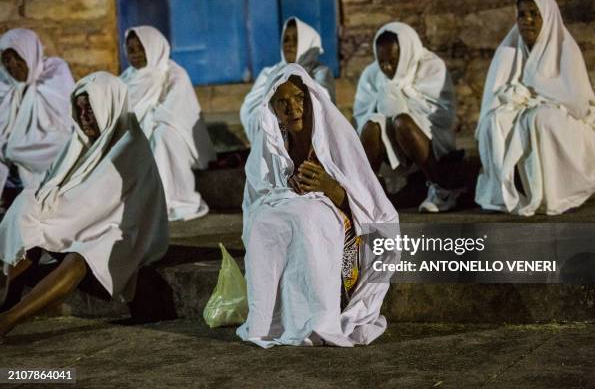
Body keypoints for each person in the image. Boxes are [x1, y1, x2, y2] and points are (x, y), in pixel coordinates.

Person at [237, 63, 398, 348]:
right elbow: (256, 197)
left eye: (299, 98)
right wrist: (286, 193)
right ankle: (271, 322)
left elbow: (373, 208)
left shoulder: (335, 137)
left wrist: (330, 188)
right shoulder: (272, 142)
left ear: (311, 99)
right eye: (282, 102)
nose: (292, 109)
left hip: (343, 231)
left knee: (308, 218)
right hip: (292, 217)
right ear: (272, 108)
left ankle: (320, 319)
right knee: (265, 220)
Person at [0, 72, 169, 341]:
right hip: (80, 221)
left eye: (91, 108)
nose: (84, 117)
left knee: (87, 252)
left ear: (109, 105)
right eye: (79, 109)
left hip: (125, 231)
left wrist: (59, 217)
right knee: (27, 208)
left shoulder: (131, 146)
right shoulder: (78, 143)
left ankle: (9, 319)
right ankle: (7, 300)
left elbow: (101, 203)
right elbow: (55, 187)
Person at [475, 0, 595, 216]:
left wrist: (536, 99)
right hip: (522, 108)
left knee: (540, 118)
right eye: (522, 15)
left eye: (534, 14)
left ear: (547, 17)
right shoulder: (508, 50)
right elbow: (493, 99)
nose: (526, 20)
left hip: (568, 119)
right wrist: (515, 98)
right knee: (495, 120)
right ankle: (508, 193)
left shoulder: (565, 49)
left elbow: (577, 106)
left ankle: (552, 193)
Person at [354, 22, 460, 212]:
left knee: (402, 121)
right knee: (370, 125)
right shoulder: (372, 74)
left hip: (426, 140)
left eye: (393, 61)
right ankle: (368, 194)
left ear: (405, 54)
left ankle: (441, 190)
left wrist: (401, 98)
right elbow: (361, 113)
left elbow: (443, 115)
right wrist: (384, 102)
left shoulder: (431, 66)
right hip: (390, 143)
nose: (386, 68)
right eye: (381, 62)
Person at [120, 26, 216, 221]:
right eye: (131, 50)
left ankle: (172, 198)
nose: (136, 54)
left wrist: (146, 121)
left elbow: (174, 110)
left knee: (162, 137)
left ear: (154, 47)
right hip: (140, 127)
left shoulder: (173, 73)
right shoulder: (126, 78)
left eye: (142, 48)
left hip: (172, 129)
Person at [0, 28, 74, 205]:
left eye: (18, 57)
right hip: (9, 183)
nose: (13, 66)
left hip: (53, 181)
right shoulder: (5, 87)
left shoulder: (55, 75)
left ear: (30, 54)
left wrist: (14, 150)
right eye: (6, 60)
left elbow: (63, 140)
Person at [240, 17, 335, 142]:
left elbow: (323, 106)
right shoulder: (269, 73)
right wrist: (276, 121)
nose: (289, 44)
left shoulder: (319, 72)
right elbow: (250, 110)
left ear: (307, 44)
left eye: (296, 40)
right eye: (286, 40)